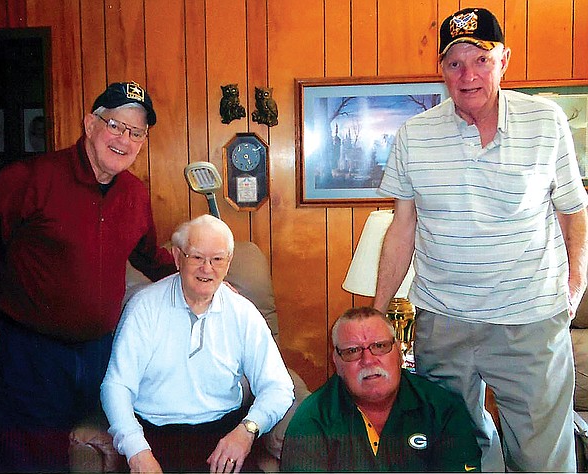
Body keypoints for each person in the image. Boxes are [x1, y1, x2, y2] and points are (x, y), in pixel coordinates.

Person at [373, 7, 588, 472]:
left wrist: (574, 286)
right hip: (443, 320)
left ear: (504, 62)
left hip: (529, 319)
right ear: (441, 70)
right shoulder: (414, 135)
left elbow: (574, 211)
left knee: (542, 460)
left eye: (481, 60)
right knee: (454, 453)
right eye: (454, 63)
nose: (467, 75)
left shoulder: (546, 122)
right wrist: (376, 312)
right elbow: (402, 229)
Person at [0, 81, 176, 473]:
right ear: (90, 124)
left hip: (98, 355)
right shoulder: (28, 179)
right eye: (116, 125)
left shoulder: (135, 194)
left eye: (136, 132)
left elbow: (148, 256)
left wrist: (197, 272)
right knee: (28, 464)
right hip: (28, 354)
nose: (125, 139)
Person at [100, 214, 295, 474]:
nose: (207, 268)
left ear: (228, 263)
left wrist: (246, 431)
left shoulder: (242, 312)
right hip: (153, 436)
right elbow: (116, 386)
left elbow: (279, 387)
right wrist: (137, 451)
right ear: (178, 258)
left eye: (217, 259)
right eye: (197, 257)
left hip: (223, 435)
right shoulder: (144, 307)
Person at [280, 307, 481, 472]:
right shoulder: (313, 418)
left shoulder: (443, 410)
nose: (368, 360)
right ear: (337, 363)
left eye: (380, 346)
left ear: (399, 353)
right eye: (352, 351)